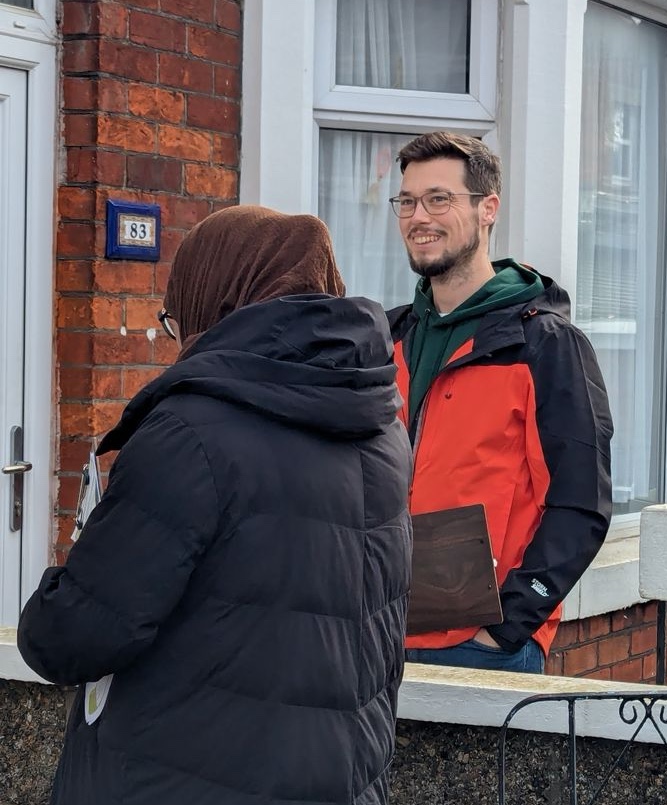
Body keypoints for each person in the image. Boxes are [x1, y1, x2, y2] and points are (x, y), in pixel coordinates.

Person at [18, 206, 412, 805]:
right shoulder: (381, 425)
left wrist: (52, 599)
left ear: (216, 299)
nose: (175, 335)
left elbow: (76, 634)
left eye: (173, 317)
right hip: (341, 778)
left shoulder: (191, 432)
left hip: (185, 776)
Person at [387, 131, 613, 674]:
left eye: (439, 199)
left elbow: (581, 504)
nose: (420, 217)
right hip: (378, 636)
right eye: (407, 202)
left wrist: (508, 626)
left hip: (482, 647)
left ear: (487, 208)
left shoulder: (545, 344)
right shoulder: (386, 339)